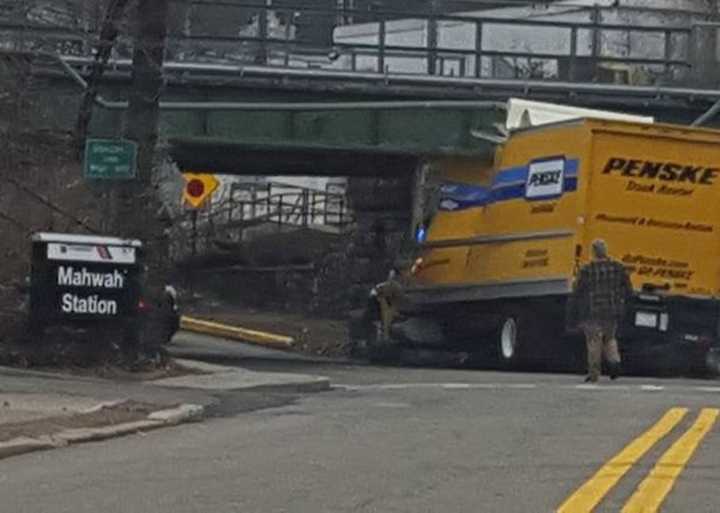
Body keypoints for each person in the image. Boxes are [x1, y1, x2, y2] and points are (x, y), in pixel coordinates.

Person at [570, 239, 633, 383]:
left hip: (593, 310)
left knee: (594, 341)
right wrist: (623, 301)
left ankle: (593, 374)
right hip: (612, 309)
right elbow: (628, 288)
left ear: (593, 252)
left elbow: (578, 290)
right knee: (610, 338)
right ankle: (615, 363)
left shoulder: (587, 269)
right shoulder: (618, 267)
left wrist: (576, 308)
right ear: (606, 251)